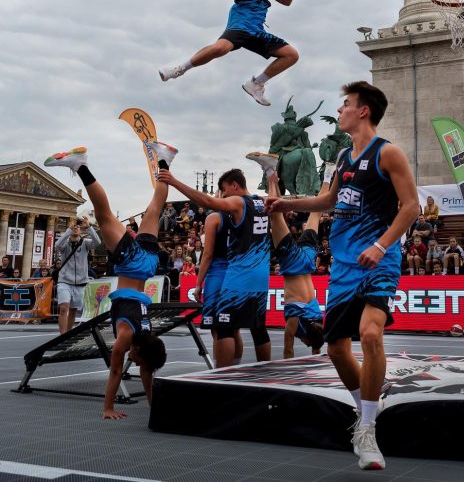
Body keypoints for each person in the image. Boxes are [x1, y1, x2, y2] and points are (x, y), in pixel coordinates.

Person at [266, 81, 419, 471]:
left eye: (345, 104)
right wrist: (286, 203)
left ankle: (366, 428)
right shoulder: (343, 157)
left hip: (379, 259)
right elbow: (329, 200)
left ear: (363, 110)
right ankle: (366, 403)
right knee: (335, 348)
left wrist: (381, 245)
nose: (339, 110)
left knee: (370, 333)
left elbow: (411, 207)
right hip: (345, 266)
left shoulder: (388, 153)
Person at [45, 142, 174, 418]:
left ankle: (165, 160)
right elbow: (115, 370)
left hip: (148, 266)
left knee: (154, 209)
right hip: (132, 263)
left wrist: (153, 405)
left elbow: (147, 371)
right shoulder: (127, 338)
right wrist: (108, 408)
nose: (132, 361)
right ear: (137, 350)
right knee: (103, 214)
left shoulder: (147, 336)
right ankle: (80, 165)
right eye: (136, 359)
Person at [158, 0, 303, 106]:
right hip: (240, 24)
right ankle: (180, 69)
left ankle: (257, 83)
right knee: (220, 48)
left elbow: (285, 0)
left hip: (257, 31)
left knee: (292, 55)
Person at [159, 166, 272, 364]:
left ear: (235, 185)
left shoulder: (237, 203)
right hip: (261, 274)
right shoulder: (262, 203)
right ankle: (264, 372)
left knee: (223, 326)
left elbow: (208, 203)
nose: (225, 195)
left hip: (238, 274)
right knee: (258, 327)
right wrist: (271, 175)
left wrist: (174, 181)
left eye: (225, 190)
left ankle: (222, 374)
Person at [250, 152, 332, 358]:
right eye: (306, 343)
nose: (303, 343)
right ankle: (270, 170)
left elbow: (316, 346)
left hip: (307, 261)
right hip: (293, 264)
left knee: (316, 212)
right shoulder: (297, 319)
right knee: (275, 214)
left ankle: (329, 172)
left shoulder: (317, 321)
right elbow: (288, 349)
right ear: (307, 338)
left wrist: (316, 353)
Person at [53, 214, 101, 334]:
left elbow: (98, 242)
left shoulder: (85, 243)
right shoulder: (65, 244)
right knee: (64, 307)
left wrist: (88, 227)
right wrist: (69, 229)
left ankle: (68, 334)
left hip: (80, 282)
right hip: (64, 281)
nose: (76, 228)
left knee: (73, 310)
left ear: (80, 231)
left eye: (78, 227)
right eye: (74, 227)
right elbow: (57, 245)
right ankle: (62, 336)